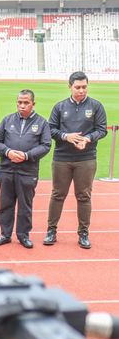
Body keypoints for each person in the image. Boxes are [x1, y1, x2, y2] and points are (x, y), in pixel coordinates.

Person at [44, 71, 107, 249]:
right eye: (77, 87)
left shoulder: (96, 106)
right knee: (57, 195)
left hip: (86, 158)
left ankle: (83, 233)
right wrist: (66, 136)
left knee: (84, 196)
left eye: (84, 87)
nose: (81, 90)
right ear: (70, 87)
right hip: (62, 158)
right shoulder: (60, 107)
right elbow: (50, 130)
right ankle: (51, 231)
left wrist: (87, 139)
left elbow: (102, 130)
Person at [0, 89, 51, 249]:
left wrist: (27, 155)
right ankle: (5, 234)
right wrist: (8, 152)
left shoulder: (42, 123)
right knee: (5, 203)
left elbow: (46, 145)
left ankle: (23, 235)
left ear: (33, 104)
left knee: (25, 205)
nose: (22, 106)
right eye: (20, 102)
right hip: (7, 169)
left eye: (26, 103)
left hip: (28, 170)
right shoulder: (7, 120)